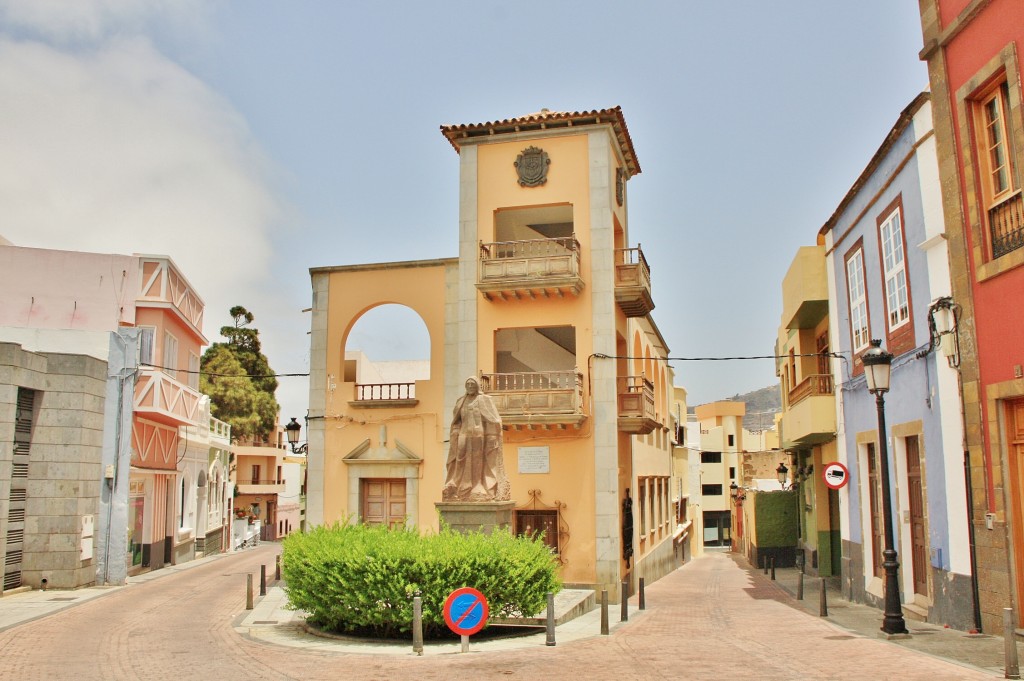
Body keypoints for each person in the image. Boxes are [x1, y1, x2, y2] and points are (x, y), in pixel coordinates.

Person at [443, 377, 510, 502]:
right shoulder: (461, 401)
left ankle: (478, 486)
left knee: (477, 460)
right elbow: (456, 421)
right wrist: (455, 432)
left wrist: (493, 436)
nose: (469, 386)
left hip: (479, 435)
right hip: (463, 434)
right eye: (467, 383)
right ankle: (457, 484)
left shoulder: (484, 400)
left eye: (472, 383)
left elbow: (493, 419)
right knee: (460, 458)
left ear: (478, 385)